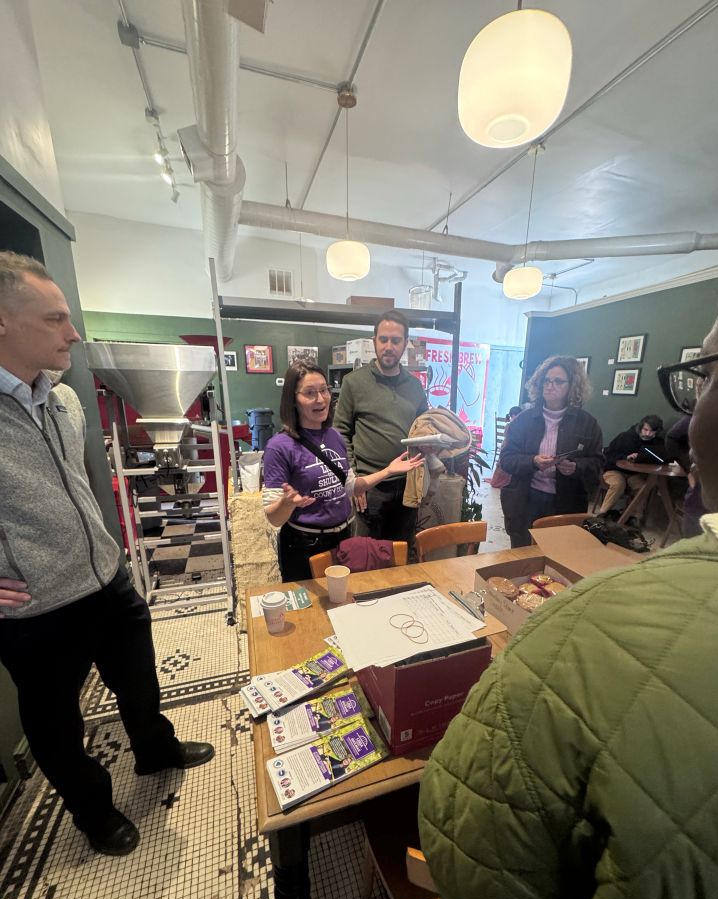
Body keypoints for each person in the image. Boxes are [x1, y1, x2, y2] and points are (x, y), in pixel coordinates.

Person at [419, 242, 718, 899]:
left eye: (704, 375)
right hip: (522, 504)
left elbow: (484, 888)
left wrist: (568, 470)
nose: (690, 413)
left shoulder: (568, 641)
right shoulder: (525, 416)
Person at [0, 251, 214, 858]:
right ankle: (94, 811)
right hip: (35, 606)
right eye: (56, 318)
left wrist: (110, 555)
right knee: (56, 725)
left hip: (106, 578)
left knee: (139, 682)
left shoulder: (65, 401)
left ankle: (156, 751)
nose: (73, 333)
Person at [262, 361, 422, 582]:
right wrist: (287, 503)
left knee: (341, 604)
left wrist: (388, 471)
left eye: (324, 390)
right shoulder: (279, 446)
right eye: (310, 393)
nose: (320, 399)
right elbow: (273, 517)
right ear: (293, 399)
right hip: (304, 545)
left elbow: (351, 486)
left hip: (343, 539)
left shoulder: (334, 436)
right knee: (309, 612)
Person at [333, 309, 428, 542]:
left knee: (400, 554)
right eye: (383, 339)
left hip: (407, 486)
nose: (389, 346)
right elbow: (340, 433)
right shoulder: (353, 383)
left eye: (395, 340)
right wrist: (353, 480)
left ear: (405, 343)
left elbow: (424, 427)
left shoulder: (415, 387)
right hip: (370, 488)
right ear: (374, 341)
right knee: (367, 560)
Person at [499, 356, 603, 547]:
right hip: (526, 498)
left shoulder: (588, 423)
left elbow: (597, 463)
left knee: (557, 554)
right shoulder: (523, 420)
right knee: (522, 554)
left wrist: (576, 467)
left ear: (572, 386)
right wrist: (533, 461)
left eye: (558, 381)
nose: (550, 386)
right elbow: (506, 459)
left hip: (566, 502)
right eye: (546, 380)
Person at [598, 414, 667, 516]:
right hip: (614, 470)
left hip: (635, 474)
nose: (647, 434)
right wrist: (626, 457)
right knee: (618, 484)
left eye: (652, 431)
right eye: (645, 429)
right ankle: (602, 514)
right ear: (640, 427)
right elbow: (607, 456)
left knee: (643, 487)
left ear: (657, 432)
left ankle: (632, 517)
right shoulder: (625, 437)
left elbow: (662, 459)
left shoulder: (657, 443)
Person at [665, 413, 707, 537]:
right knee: (694, 537)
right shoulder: (706, 410)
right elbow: (672, 439)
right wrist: (689, 469)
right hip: (705, 484)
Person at [490, 405, 523, 489]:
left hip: (513, 446)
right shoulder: (510, 425)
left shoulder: (517, 425)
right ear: (513, 416)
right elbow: (508, 439)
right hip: (508, 446)